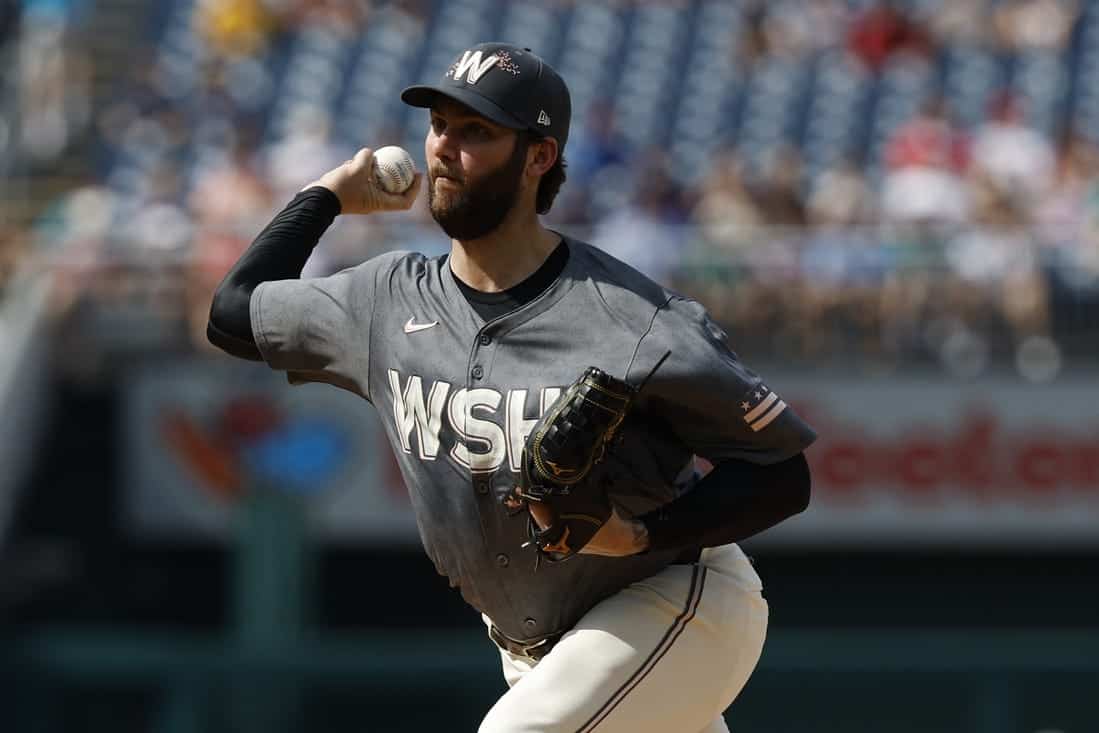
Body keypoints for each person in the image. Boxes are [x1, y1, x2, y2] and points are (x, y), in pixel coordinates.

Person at [208, 42, 817, 733]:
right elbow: (232, 314)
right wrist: (326, 197)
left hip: (673, 604)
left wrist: (641, 533)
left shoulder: (631, 315)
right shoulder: (383, 300)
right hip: (535, 653)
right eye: (439, 124)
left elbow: (781, 473)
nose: (444, 147)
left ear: (538, 157)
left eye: (476, 131)